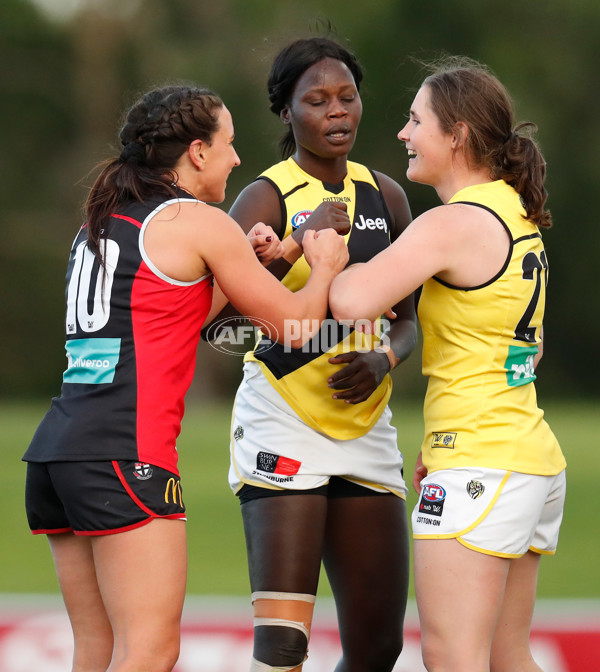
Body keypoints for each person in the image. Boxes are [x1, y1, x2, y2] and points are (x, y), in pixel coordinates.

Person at [22, 84, 348, 672]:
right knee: (150, 652)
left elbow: (176, 315)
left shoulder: (104, 219)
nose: (237, 158)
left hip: (60, 452)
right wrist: (323, 264)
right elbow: (297, 328)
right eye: (229, 144)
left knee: (96, 652)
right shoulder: (195, 219)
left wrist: (277, 254)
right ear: (197, 152)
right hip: (128, 451)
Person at [329, 56, 567, 672]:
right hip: (525, 456)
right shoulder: (516, 212)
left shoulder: (455, 222)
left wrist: (324, 251)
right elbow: (528, 350)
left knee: (452, 658)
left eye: (415, 121)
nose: (404, 134)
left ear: (456, 134)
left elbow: (353, 300)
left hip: (481, 461)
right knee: (508, 657)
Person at [204, 37, 417, 672]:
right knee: (283, 647)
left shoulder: (388, 195)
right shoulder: (264, 198)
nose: (337, 112)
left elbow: (409, 323)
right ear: (287, 111)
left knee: (380, 647)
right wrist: (298, 243)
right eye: (317, 100)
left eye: (347, 97)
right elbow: (220, 331)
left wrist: (386, 361)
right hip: (284, 419)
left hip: (367, 431)